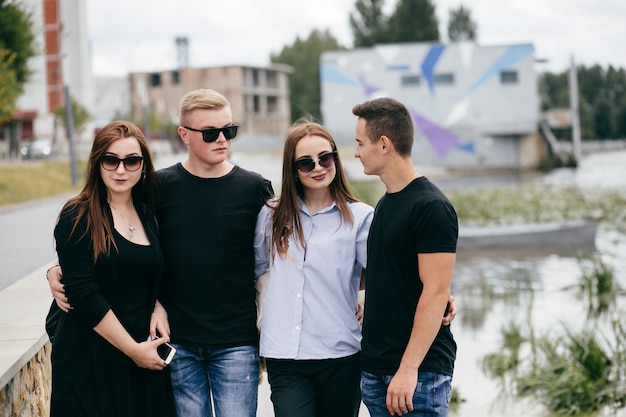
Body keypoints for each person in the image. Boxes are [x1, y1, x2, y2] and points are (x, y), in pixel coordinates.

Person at [48, 89, 274, 417]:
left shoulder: (256, 188)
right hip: (175, 341)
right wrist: (58, 267)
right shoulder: (158, 188)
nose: (222, 139)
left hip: (235, 340)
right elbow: (102, 250)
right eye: (211, 133)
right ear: (184, 134)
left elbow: (276, 258)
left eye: (230, 130)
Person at [47, 120, 175, 416]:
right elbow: (83, 294)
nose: (121, 170)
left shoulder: (147, 214)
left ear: (143, 165)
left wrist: (158, 305)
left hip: (143, 355)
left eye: (131, 161)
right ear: (96, 163)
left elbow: (147, 274)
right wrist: (133, 351)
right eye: (111, 160)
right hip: (91, 358)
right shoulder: (77, 215)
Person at [254, 118, 374, 417]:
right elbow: (256, 270)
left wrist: (368, 305)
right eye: (306, 163)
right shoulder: (271, 215)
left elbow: (382, 277)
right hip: (285, 354)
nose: (318, 167)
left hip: (341, 351)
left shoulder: (360, 218)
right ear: (292, 170)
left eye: (325, 157)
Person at [352, 97, 458, 417]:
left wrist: (408, 370)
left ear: (383, 144)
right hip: (376, 371)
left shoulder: (431, 207)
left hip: (416, 377)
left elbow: (436, 291)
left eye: (360, 143)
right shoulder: (385, 204)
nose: (356, 152)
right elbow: (396, 277)